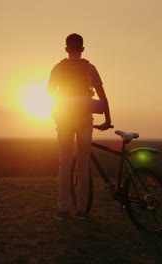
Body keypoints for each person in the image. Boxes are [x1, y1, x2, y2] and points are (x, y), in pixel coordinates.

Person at [47, 33, 112, 220]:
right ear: (82, 49)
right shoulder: (89, 68)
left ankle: (62, 209)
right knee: (83, 166)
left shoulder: (58, 68)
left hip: (64, 119)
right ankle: (82, 210)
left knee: (64, 164)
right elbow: (102, 96)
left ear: (66, 49)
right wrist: (107, 119)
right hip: (85, 119)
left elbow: (50, 93)